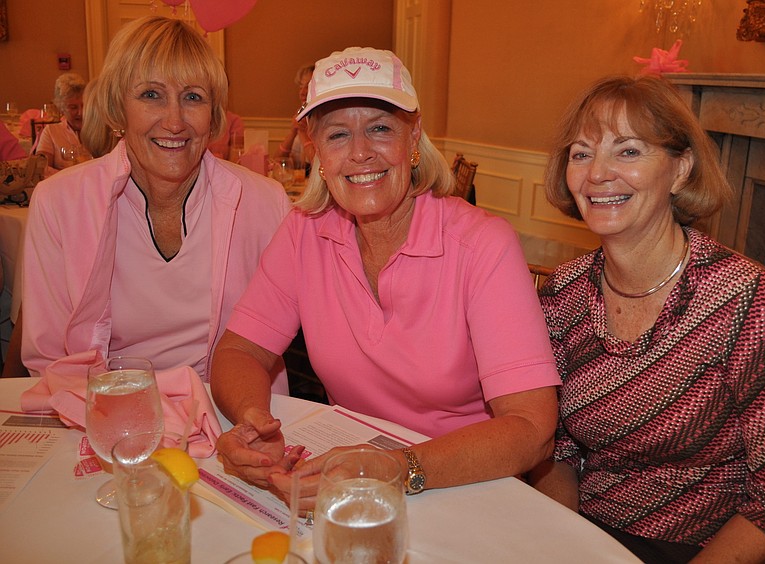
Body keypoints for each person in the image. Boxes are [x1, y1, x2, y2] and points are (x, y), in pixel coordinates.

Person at [211, 47, 559, 506]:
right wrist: (252, 422)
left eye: (379, 128)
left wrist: (398, 468)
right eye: (338, 135)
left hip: (467, 482)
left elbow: (532, 429)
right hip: (348, 470)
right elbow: (239, 350)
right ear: (315, 149)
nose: (360, 153)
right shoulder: (304, 231)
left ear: (413, 137)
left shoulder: (482, 245)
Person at [528, 74, 765, 563]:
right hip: (596, 534)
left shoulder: (746, 299)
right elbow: (556, 451)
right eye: (581, 153)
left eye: (628, 151)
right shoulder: (562, 294)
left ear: (681, 170)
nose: (597, 173)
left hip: (718, 545)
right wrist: (566, 544)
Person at [21, 16, 291, 390]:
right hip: (104, 410)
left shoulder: (264, 203)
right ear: (119, 107)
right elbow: (47, 358)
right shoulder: (59, 203)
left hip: (232, 413)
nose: (175, 121)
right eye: (151, 95)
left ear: (214, 117)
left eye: (193, 97)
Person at [35, 73, 92, 174]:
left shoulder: (97, 130)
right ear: (61, 108)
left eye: (84, 105)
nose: (81, 112)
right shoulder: (51, 132)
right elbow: (41, 167)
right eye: (73, 107)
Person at [275, 64, 315, 168]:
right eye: (301, 87)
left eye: (308, 86)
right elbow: (277, 162)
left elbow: (318, 165)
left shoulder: (325, 120)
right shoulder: (302, 117)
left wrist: (302, 133)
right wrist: (293, 132)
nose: (302, 92)